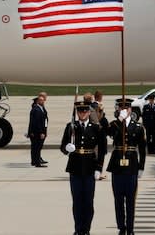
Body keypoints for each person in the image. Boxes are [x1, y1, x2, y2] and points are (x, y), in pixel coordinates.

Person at [60, 101, 107, 235]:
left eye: (85, 111)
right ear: (77, 113)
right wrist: (67, 149)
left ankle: (86, 229)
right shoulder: (71, 127)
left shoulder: (96, 128)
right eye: (80, 111)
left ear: (89, 112)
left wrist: (99, 168)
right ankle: (78, 229)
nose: (83, 113)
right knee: (77, 202)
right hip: (75, 168)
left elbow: (102, 149)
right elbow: (63, 147)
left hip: (90, 168)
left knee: (88, 202)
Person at [107, 98, 146, 235]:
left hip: (131, 165)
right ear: (118, 110)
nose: (124, 111)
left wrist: (141, 167)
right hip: (117, 164)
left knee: (130, 199)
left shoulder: (138, 127)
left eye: (127, 108)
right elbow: (109, 133)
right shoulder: (114, 124)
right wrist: (119, 121)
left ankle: (130, 228)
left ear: (130, 109)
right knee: (118, 199)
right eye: (121, 109)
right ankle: (121, 227)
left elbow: (142, 149)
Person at [28, 94, 48, 167]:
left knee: (35, 147)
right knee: (37, 147)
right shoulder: (36, 109)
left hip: (39, 131)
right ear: (38, 101)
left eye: (43, 100)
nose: (43, 101)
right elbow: (37, 123)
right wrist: (41, 132)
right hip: (37, 132)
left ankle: (34, 161)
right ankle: (37, 163)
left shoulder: (40, 108)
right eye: (42, 100)